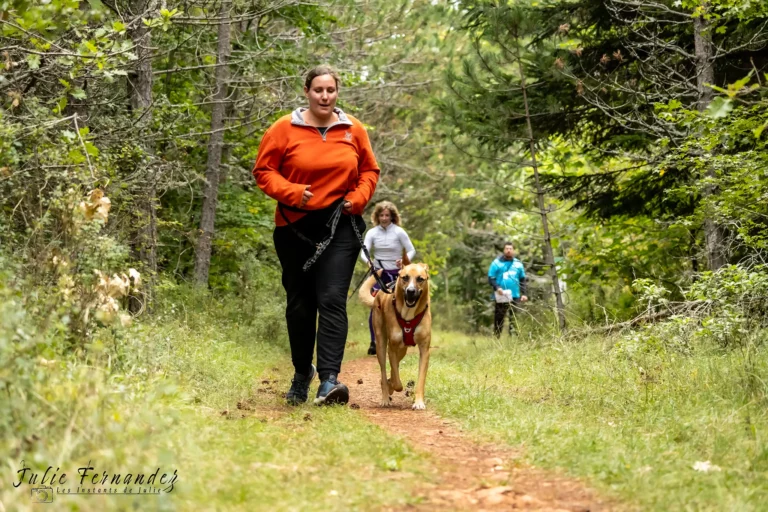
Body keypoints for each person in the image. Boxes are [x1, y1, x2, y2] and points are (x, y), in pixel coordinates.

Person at [253, 65, 379, 406]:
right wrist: (292, 192)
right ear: (307, 92)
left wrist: (358, 198)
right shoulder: (283, 129)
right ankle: (300, 374)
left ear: (337, 92)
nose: (325, 96)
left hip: (340, 224)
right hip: (294, 227)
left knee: (332, 299)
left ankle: (329, 381)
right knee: (300, 305)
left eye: (331, 90)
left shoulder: (353, 129)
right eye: (318, 90)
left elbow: (369, 170)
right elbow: (263, 171)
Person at [360, 201, 416, 355]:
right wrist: (369, 262)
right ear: (377, 216)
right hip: (379, 274)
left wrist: (403, 262)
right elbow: (364, 252)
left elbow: (411, 250)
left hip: (397, 274)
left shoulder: (399, 232)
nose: (384, 218)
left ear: (392, 217)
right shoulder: (372, 233)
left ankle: (401, 336)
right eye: (381, 215)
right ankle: (374, 341)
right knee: (376, 306)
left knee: (399, 305)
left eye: (387, 215)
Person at [488, 242, 528, 337]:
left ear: (513, 250)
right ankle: (497, 338)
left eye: (510, 248)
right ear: (504, 250)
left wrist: (525, 293)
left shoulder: (518, 264)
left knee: (514, 317)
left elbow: (522, 279)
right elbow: (491, 278)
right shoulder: (496, 263)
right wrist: (497, 287)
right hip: (501, 295)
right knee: (499, 317)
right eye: (507, 248)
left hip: (515, 295)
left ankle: (513, 338)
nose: (508, 250)